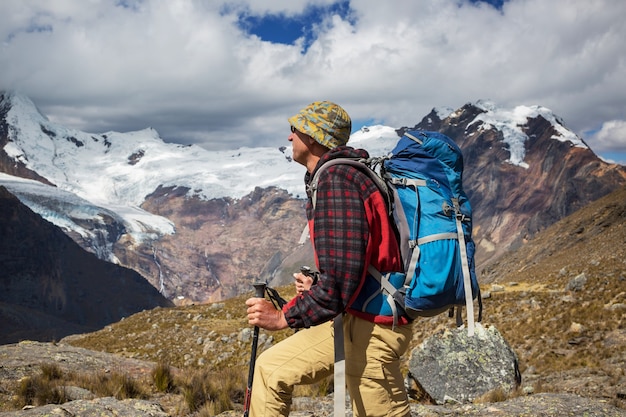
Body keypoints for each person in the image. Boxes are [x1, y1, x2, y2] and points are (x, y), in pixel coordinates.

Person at [245, 101, 413, 417]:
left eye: (295, 130)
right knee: (270, 370)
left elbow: (342, 279)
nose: (290, 136)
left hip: (374, 328)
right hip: (353, 316)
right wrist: (317, 284)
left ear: (312, 136)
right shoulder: (334, 176)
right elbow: (351, 265)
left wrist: (283, 317)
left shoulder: (338, 180)